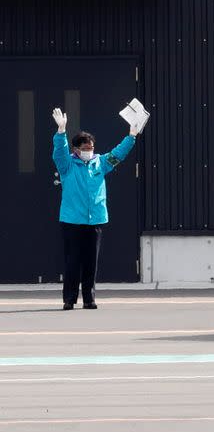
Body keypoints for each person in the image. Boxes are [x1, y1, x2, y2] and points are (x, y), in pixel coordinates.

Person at [51, 108, 139, 310]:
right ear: (76, 150)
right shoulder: (67, 166)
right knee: (73, 262)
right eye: (85, 148)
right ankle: (69, 299)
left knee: (91, 262)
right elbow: (59, 152)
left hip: (95, 220)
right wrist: (61, 131)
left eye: (91, 147)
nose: (89, 150)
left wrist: (131, 136)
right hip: (72, 220)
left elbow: (119, 154)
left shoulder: (101, 163)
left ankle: (89, 299)